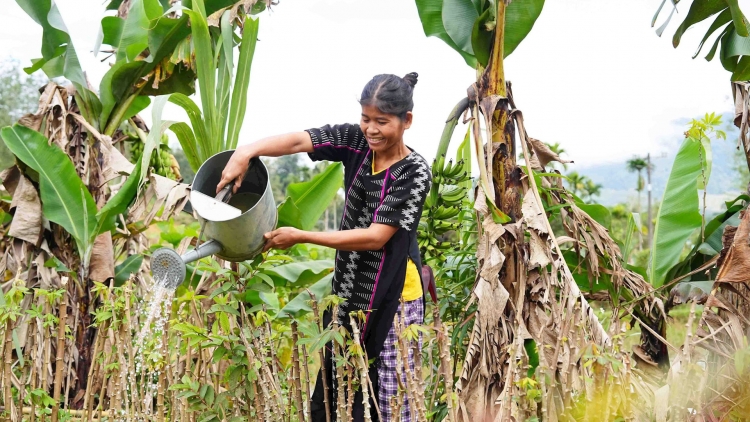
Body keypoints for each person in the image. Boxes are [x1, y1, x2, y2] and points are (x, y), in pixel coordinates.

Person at [217, 72, 431, 422]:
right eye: (366, 119)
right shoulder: (356, 141)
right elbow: (298, 142)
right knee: (338, 390)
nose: (371, 129)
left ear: (406, 120)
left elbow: (376, 237)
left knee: (389, 400)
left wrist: (303, 236)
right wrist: (247, 151)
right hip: (346, 291)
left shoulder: (414, 172)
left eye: (382, 121)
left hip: (392, 295)